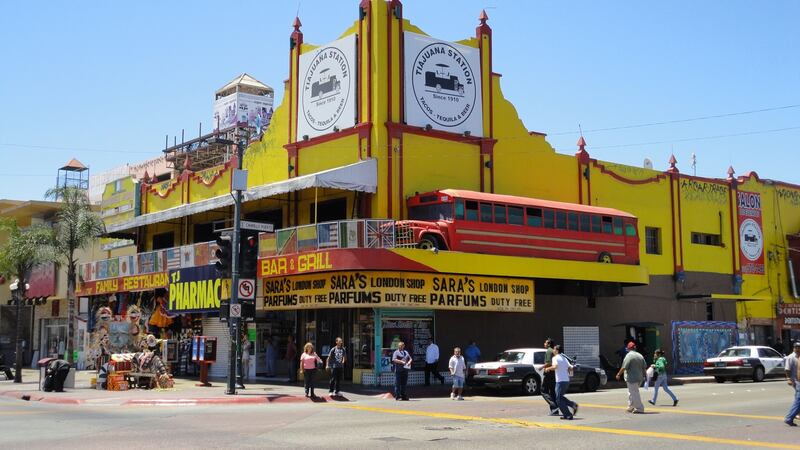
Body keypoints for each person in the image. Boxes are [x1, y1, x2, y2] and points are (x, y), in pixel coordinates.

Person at [546, 345, 577, 420]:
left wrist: (548, 368)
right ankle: (572, 405)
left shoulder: (555, 358)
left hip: (560, 381)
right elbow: (570, 368)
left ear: (557, 350)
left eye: (554, 349)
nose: (553, 350)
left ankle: (568, 415)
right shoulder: (564, 358)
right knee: (560, 398)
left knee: (558, 399)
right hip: (566, 381)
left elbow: (555, 366)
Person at [616, 341, 647, 413]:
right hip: (639, 378)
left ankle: (639, 408)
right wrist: (645, 376)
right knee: (631, 392)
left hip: (632, 378)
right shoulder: (640, 355)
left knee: (634, 393)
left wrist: (618, 374)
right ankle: (630, 406)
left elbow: (624, 367)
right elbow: (644, 367)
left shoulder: (629, 356)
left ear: (628, 348)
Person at [541, 338, 560, 415]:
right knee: (552, 392)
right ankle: (555, 411)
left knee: (543, 391)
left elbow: (548, 362)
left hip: (548, 373)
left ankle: (554, 407)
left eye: (545, 343)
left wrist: (541, 367)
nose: (544, 344)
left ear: (549, 344)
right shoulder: (553, 351)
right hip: (553, 374)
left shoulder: (549, 351)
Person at [784, 341, 800, 426]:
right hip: (796, 381)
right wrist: (788, 379)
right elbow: (787, 369)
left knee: (798, 399)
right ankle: (789, 418)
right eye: (797, 347)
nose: (798, 349)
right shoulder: (791, 357)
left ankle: (794, 415)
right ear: (794, 348)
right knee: (798, 400)